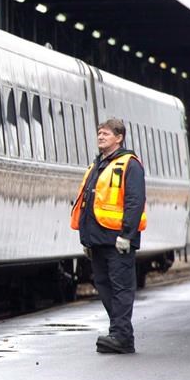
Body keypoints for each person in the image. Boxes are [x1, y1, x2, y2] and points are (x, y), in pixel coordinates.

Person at [70, 118, 147, 354]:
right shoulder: (98, 165)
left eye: (105, 134)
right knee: (103, 286)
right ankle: (119, 332)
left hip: (118, 241)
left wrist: (126, 235)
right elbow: (88, 203)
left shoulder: (129, 165)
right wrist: (86, 239)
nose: (101, 137)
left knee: (120, 287)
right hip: (97, 240)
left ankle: (122, 336)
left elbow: (135, 202)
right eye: (99, 134)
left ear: (119, 137)